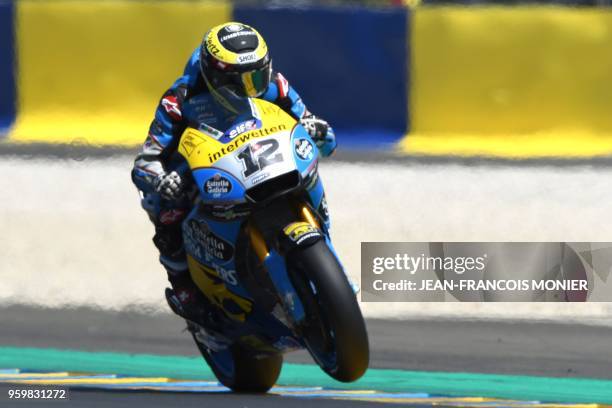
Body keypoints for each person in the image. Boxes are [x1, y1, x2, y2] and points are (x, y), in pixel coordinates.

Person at [131, 22, 337, 323]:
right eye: (241, 81)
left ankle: (325, 246)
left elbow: (318, 132)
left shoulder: (274, 83)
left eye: (257, 75)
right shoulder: (179, 100)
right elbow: (145, 161)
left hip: (263, 157)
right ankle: (184, 288)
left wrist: (317, 131)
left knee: (307, 169)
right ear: (216, 76)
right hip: (202, 169)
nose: (253, 87)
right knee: (162, 208)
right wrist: (162, 179)